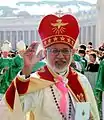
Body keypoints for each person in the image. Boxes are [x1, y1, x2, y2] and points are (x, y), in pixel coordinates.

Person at [0, 14, 99, 120]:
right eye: (55, 50)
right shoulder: (35, 82)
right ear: (45, 53)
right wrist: (25, 71)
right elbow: (10, 111)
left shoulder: (81, 81)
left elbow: (85, 116)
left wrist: (85, 114)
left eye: (65, 50)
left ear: (72, 53)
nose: (60, 56)